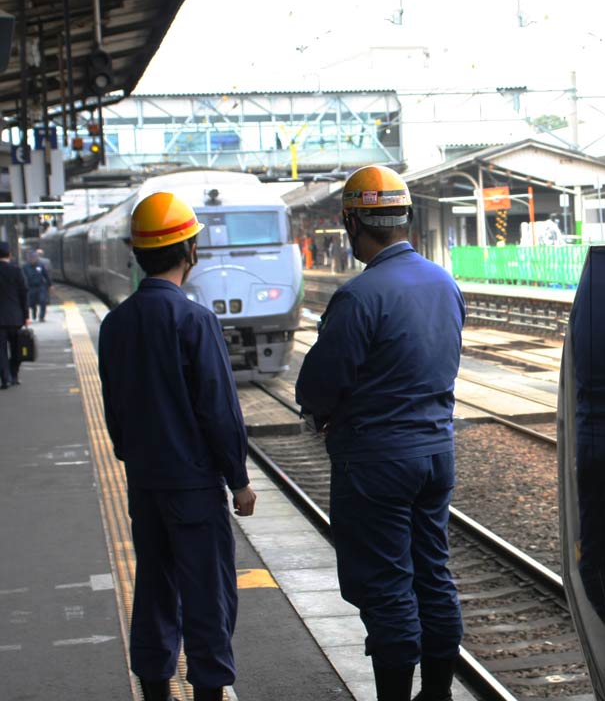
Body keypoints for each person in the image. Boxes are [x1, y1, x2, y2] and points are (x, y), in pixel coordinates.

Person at [296, 165, 465, 701]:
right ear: (406, 218)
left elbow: (319, 386)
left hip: (376, 465)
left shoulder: (360, 296)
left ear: (352, 224)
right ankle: (436, 694)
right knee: (432, 575)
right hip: (436, 454)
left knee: (388, 589)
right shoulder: (444, 283)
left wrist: (322, 410)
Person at [98, 192, 258, 701]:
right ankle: (209, 689)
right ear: (191, 250)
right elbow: (218, 409)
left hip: (145, 483)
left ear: (136, 252)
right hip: (193, 485)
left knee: (153, 589)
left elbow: (115, 413)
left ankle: (155, 689)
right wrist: (238, 478)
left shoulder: (114, 324)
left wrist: (135, 457)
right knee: (207, 594)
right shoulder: (195, 321)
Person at [0, 241, 28, 388]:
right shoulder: (16, 271)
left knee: (1, 352)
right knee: (18, 349)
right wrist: (26, 315)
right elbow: (24, 293)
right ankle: (14, 375)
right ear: (9, 254)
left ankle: (5, 379)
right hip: (15, 318)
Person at [22, 250, 51, 322]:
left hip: (41, 286)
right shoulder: (25, 267)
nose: (32, 259)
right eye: (31, 258)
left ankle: (41, 317)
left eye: (34, 258)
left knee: (43, 301)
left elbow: (46, 275)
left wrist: (50, 284)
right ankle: (34, 311)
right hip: (31, 287)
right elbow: (23, 277)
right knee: (31, 303)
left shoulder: (40, 265)